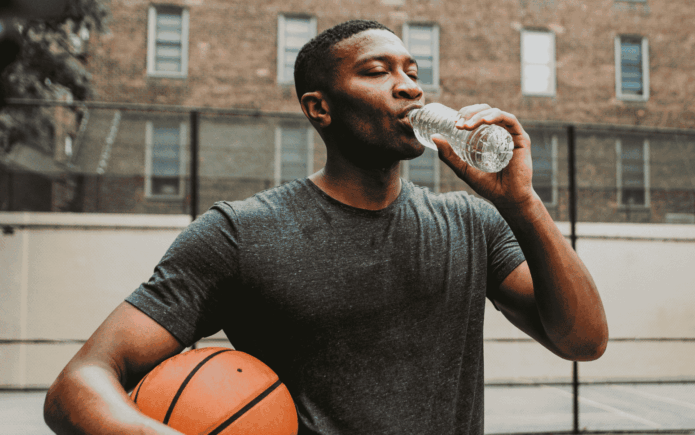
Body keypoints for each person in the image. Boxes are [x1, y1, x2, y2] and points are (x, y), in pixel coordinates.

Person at [43, 19, 608, 435]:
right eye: (377, 71)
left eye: (413, 72)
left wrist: (524, 203)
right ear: (320, 108)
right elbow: (79, 384)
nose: (409, 86)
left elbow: (582, 340)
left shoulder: (472, 222)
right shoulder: (240, 234)